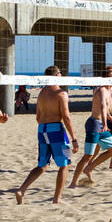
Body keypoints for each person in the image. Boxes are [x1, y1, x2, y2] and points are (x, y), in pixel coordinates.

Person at [16, 65, 76, 204]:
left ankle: (21, 189)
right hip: (57, 131)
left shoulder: (42, 93)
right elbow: (66, 117)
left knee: (42, 165)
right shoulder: (61, 93)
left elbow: (38, 117)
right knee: (65, 164)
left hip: (42, 130)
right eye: (60, 73)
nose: (61, 75)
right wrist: (74, 138)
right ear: (56, 75)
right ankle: (57, 199)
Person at [69, 82, 112, 187]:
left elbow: (106, 108)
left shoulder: (109, 90)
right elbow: (102, 106)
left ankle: (89, 169)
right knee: (88, 156)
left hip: (102, 126)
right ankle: (73, 182)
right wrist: (105, 123)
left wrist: (110, 117)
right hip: (94, 125)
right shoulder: (101, 90)